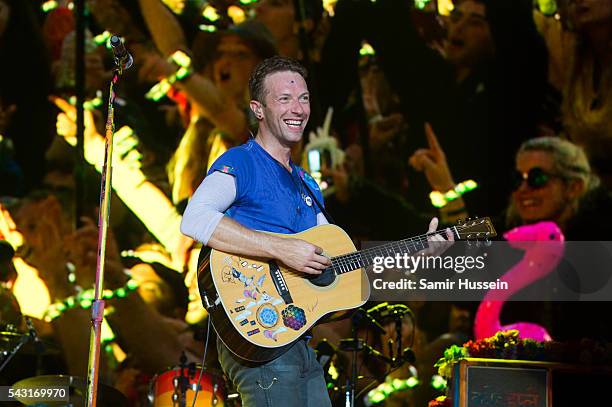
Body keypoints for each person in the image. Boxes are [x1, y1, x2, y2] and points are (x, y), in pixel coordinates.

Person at [181, 56, 453, 406]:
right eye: (284, 99)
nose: (298, 108)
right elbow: (195, 218)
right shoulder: (243, 162)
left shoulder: (307, 184)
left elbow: (344, 271)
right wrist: (282, 249)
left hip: (298, 342)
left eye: (304, 98)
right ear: (258, 109)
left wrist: (415, 258)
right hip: (259, 340)